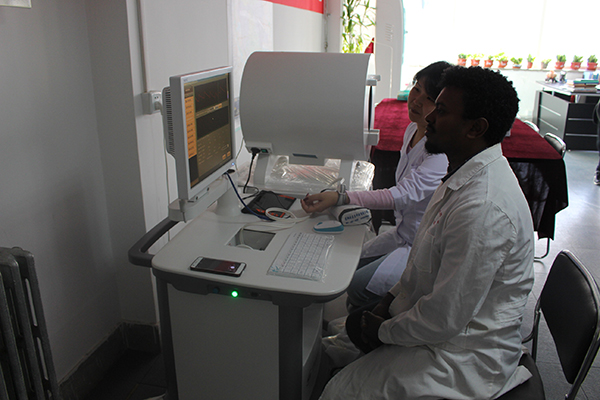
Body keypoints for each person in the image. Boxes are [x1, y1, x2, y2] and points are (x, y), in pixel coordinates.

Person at [319, 66, 535, 400]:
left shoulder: (483, 208)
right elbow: (422, 259)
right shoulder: (461, 174)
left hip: (462, 351)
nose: (429, 115)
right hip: (436, 325)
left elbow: (443, 318)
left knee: (340, 391)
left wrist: (384, 330)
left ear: (475, 128)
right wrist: (389, 300)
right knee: (340, 339)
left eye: (442, 110)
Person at [302, 61, 450, 308]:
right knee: (350, 263)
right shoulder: (412, 130)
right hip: (403, 232)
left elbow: (401, 194)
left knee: (357, 286)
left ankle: (371, 324)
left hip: (419, 244)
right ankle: (359, 317)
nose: (416, 101)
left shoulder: (439, 153)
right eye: (416, 89)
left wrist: (342, 197)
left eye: (429, 98)